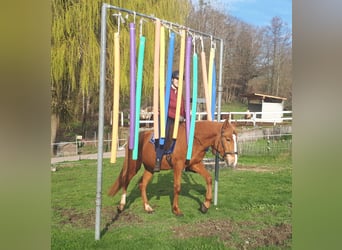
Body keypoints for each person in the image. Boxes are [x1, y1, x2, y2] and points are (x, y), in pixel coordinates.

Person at [154, 70, 185, 172]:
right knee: (165, 134)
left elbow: (182, 108)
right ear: (172, 79)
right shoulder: (166, 91)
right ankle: (158, 158)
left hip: (177, 119)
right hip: (165, 117)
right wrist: (176, 116)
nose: (178, 81)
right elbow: (165, 107)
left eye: (180, 80)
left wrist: (185, 117)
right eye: (177, 79)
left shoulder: (180, 93)